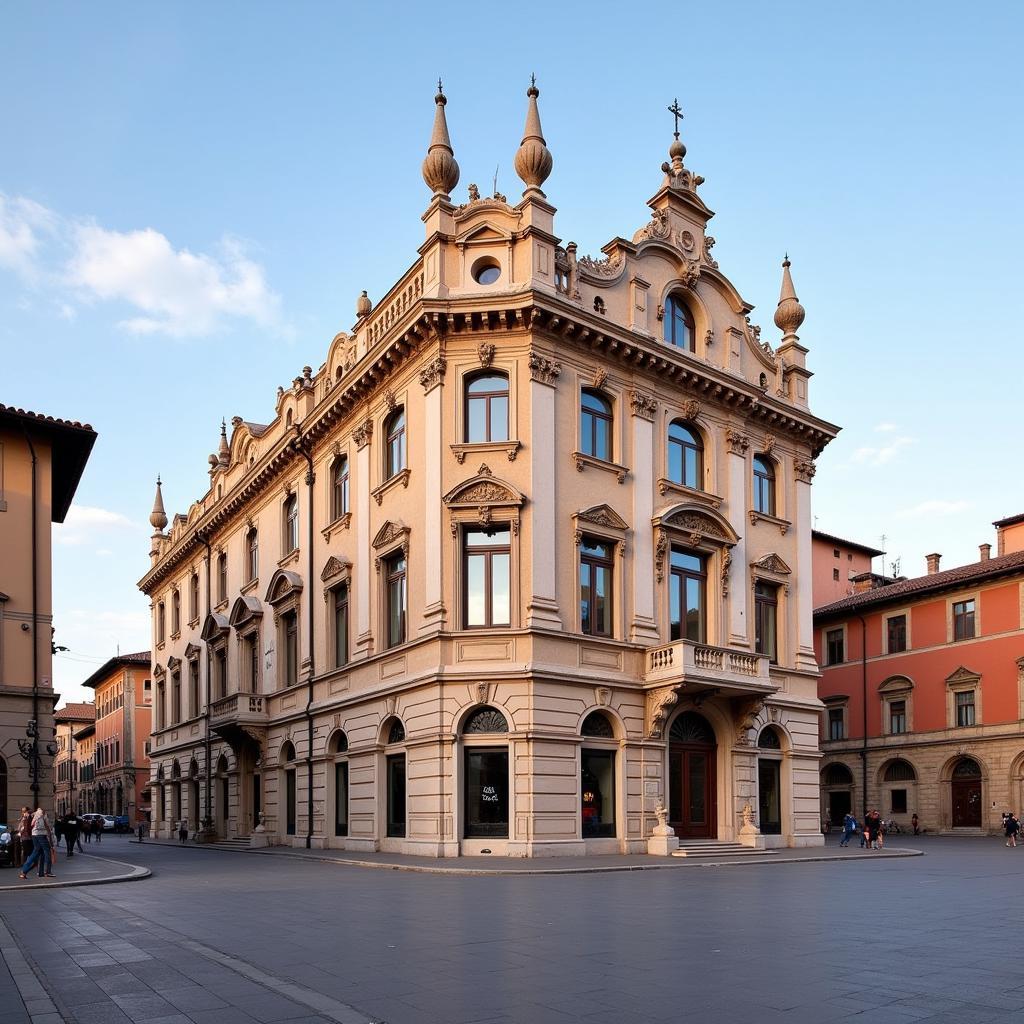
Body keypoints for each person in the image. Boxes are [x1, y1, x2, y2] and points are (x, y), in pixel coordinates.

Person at [18, 807, 56, 879]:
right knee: (47, 852)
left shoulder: (33, 815)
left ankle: (25, 871)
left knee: (37, 852)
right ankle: (48, 872)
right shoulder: (41, 814)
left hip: (34, 835)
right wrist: (50, 840)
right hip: (41, 835)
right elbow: (44, 827)